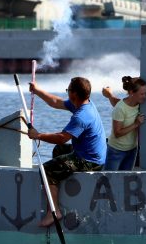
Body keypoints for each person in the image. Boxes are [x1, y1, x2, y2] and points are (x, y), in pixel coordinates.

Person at [27, 76, 106, 227]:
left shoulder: (81, 116)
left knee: (46, 169)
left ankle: (54, 211)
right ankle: (57, 182)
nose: (67, 92)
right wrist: (37, 91)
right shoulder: (83, 103)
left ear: (74, 94)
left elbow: (62, 138)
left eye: (68, 90)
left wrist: (38, 135)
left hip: (90, 161)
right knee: (58, 151)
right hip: (87, 151)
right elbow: (55, 102)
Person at [100, 76, 146, 171]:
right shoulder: (120, 108)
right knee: (110, 180)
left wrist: (109, 95)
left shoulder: (140, 105)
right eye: (142, 94)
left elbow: (115, 101)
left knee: (124, 180)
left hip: (132, 150)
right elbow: (117, 133)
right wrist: (136, 124)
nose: (145, 96)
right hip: (116, 151)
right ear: (131, 93)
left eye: (145, 93)